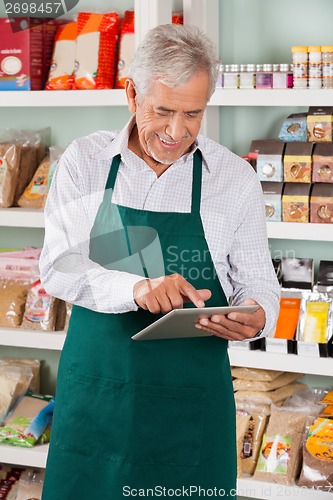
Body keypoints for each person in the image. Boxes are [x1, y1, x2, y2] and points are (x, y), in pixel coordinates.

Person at [40, 24, 280, 499]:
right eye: (163, 111)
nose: (177, 131)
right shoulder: (84, 162)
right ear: (131, 94)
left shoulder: (232, 178)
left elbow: (259, 280)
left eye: (193, 114)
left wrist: (256, 314)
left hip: (189, 406)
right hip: (98, 396)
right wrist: (135, 288)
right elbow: (58, 266)